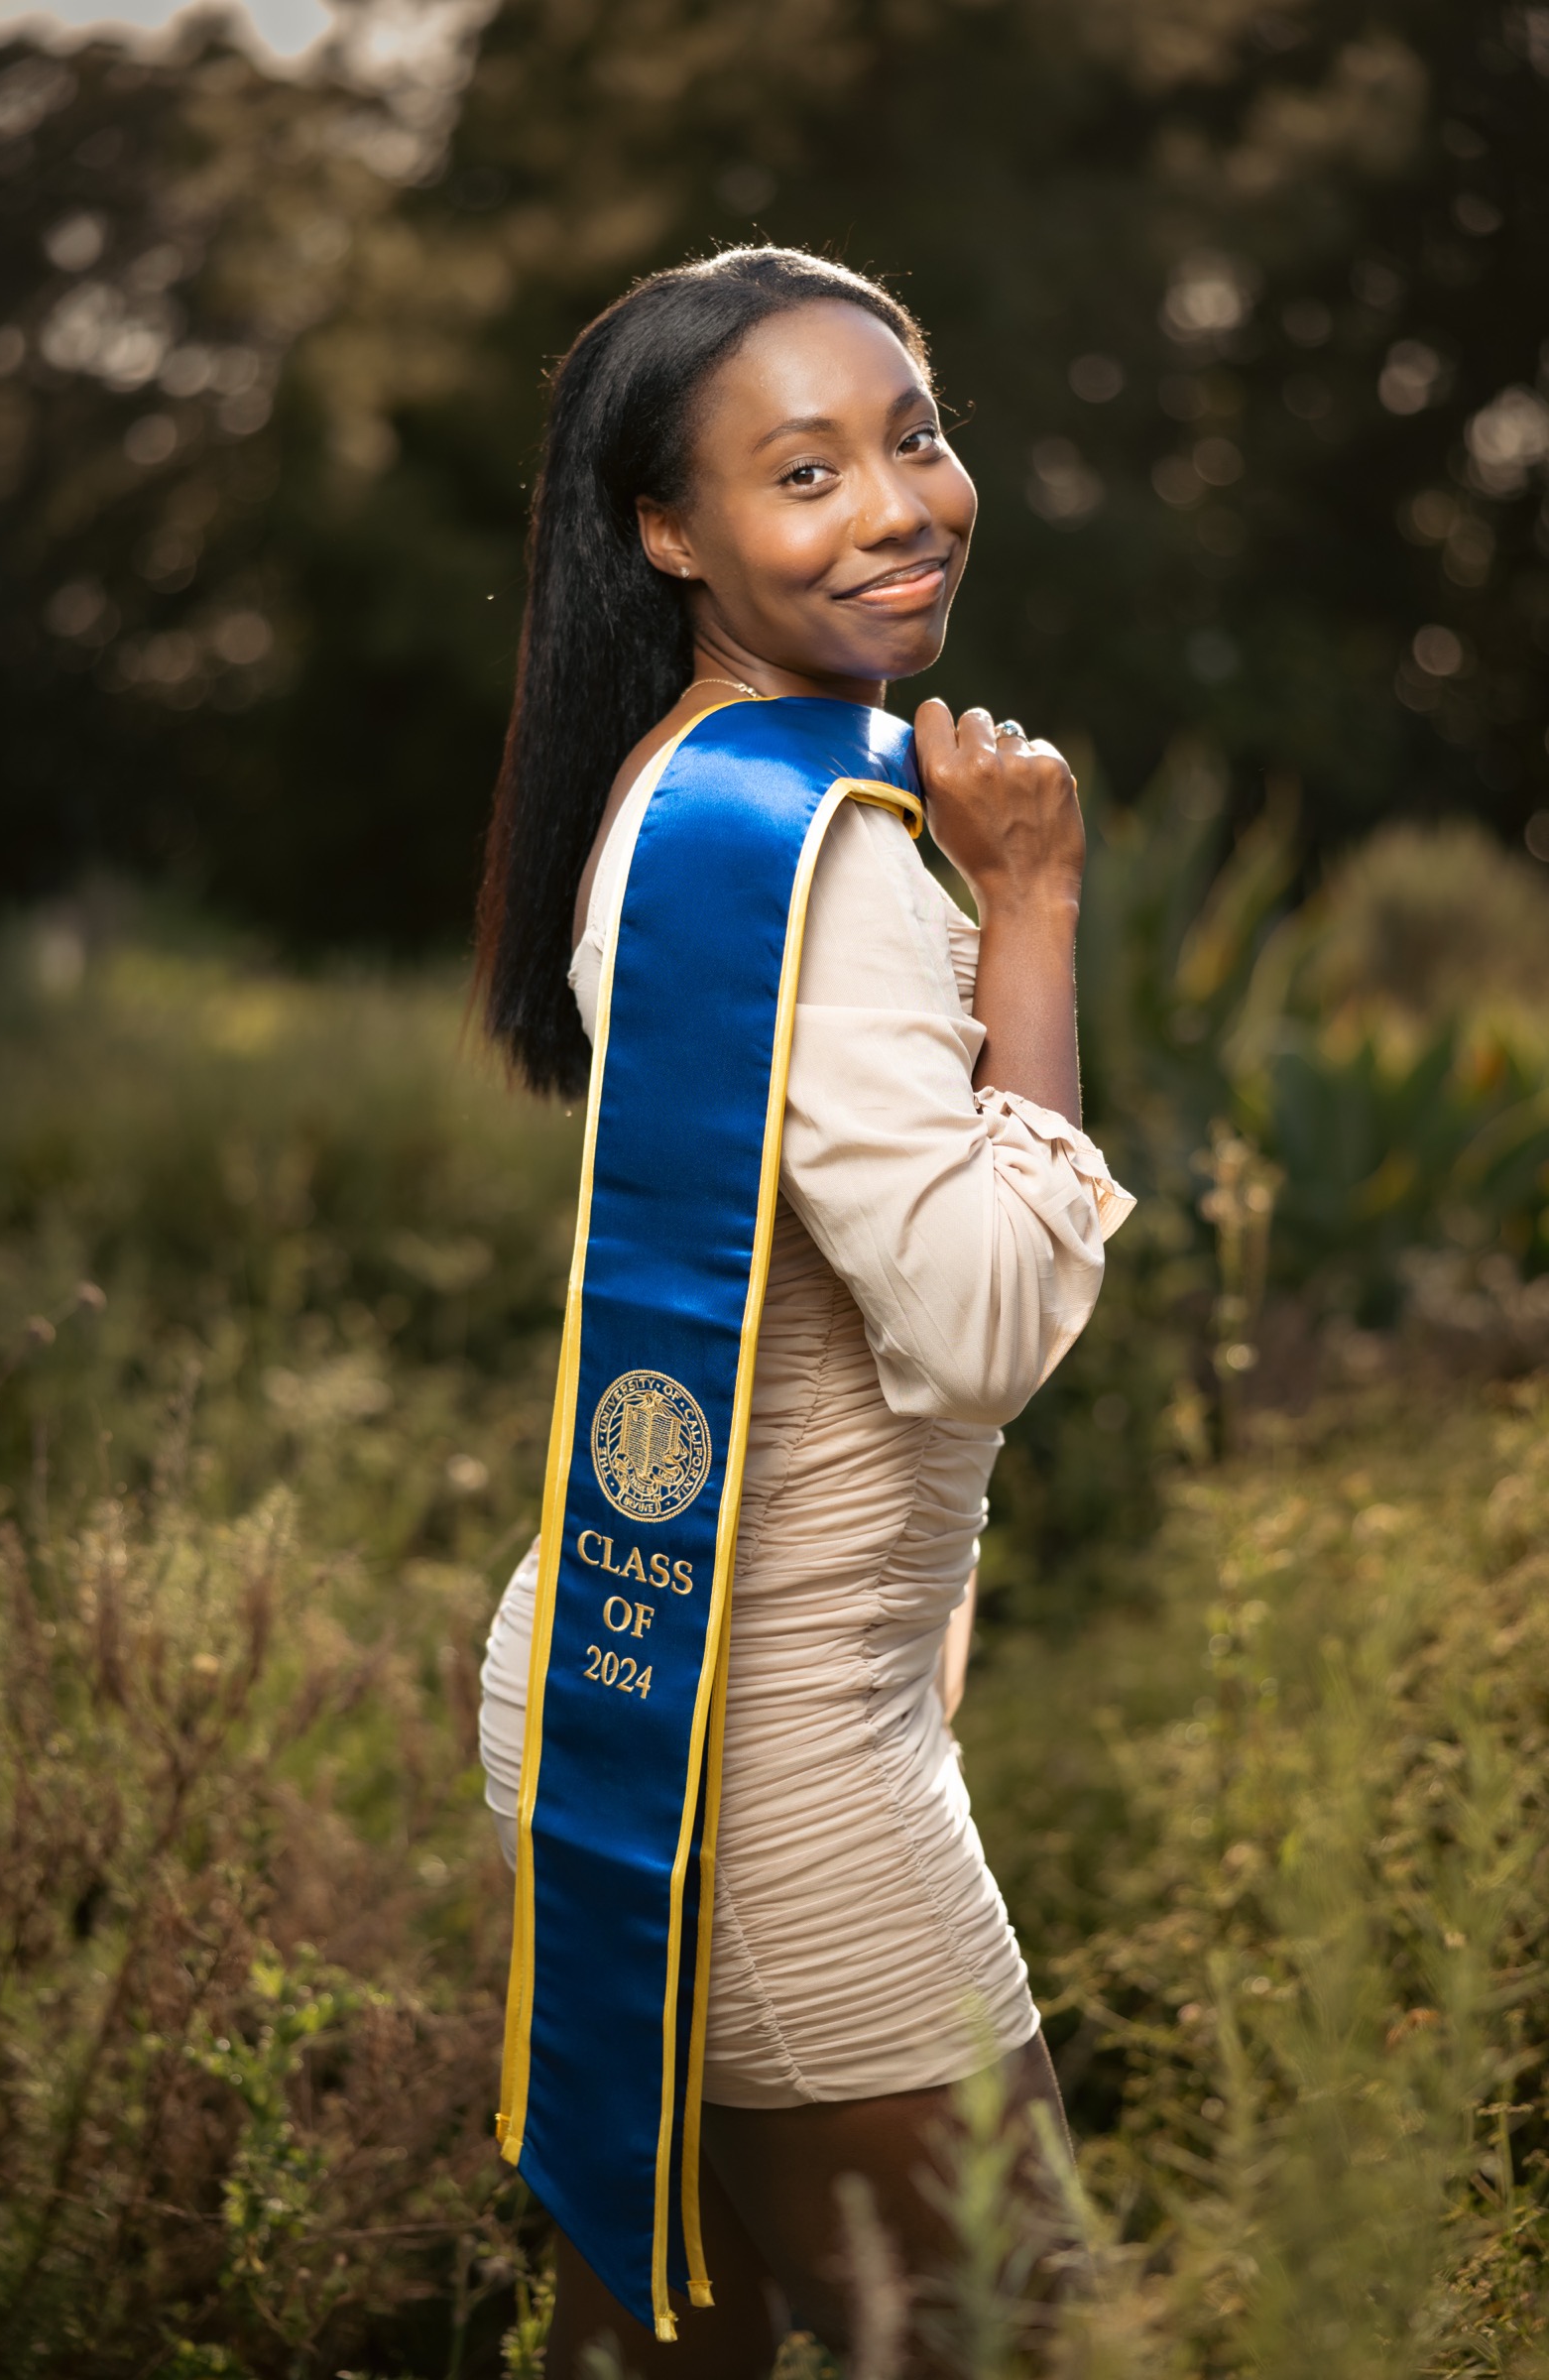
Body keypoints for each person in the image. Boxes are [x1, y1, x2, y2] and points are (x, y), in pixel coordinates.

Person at [474, 244, 1131, 2377]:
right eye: (803, 471)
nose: (896, 505)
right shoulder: (816, 848)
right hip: (748, 1753)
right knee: (1014, 2339)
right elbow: (979, 1322)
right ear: (667, 532)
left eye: (914, 438)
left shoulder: (692, 786)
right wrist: (1024, 907)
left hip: (661, 1662)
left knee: (670, 2337)